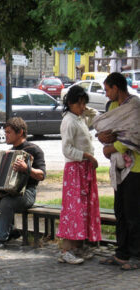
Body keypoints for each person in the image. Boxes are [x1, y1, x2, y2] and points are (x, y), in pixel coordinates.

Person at [0, 117, 46, 251]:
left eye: (8, 132)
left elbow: (42, 175)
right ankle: (11, 231)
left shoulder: (34, 150)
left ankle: (1, 238)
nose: (5, 135)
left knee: (6, 203)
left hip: (27, 193)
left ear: (20, 132)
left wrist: (27, 168)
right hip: (6, 193)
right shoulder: (9, 152)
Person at [97, 72, 140, 271]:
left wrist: (112, 147)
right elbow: (107, 131)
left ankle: (136, 255)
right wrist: (103, 139)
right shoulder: (113, 107)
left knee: (134, 213)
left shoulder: (134, 106)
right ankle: (121, 252)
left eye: (107, 90)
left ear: (117, 88)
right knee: (120, 211)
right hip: (118, 168)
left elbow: (134, 135)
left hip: (136, 168)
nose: (106, 94)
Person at [56, 85, 101, 265]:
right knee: (73, 209)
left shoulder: (80, 117)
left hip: (84, 169)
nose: (82, 107)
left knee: (83, 209)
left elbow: (95, 115)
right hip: (75, 169)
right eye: (79, 103)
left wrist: (85, 108)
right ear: (70, 103)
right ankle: (66, 250)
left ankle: (77, 247)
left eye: (84, 104)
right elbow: (67, 149)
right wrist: (87, 156)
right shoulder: (68, 121)